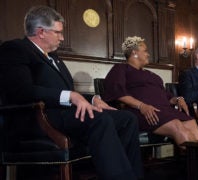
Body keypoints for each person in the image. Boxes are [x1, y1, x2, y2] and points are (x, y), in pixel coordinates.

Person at [0, 6, 143, 180]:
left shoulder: (55, 57)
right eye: (58, 32)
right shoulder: (15, 49)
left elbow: (71, 92)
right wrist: (70, 96)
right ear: (41, 32)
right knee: (100, 119)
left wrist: (95, 99)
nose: (62, 37)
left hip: (65, 115)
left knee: (127, 119)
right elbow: (21, 91)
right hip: (39, 116)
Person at [103, 36, 198, 147]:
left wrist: (178, 99)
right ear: (134, 53)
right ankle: (194, 163)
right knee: (177, 125)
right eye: (145, 51)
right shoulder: (120, 68)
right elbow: (117, 92)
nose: (148, 54)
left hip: (165, 110)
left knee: (191, 123)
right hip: (144, 111)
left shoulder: (151, 75)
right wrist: (142, 106)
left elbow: (167, 96)